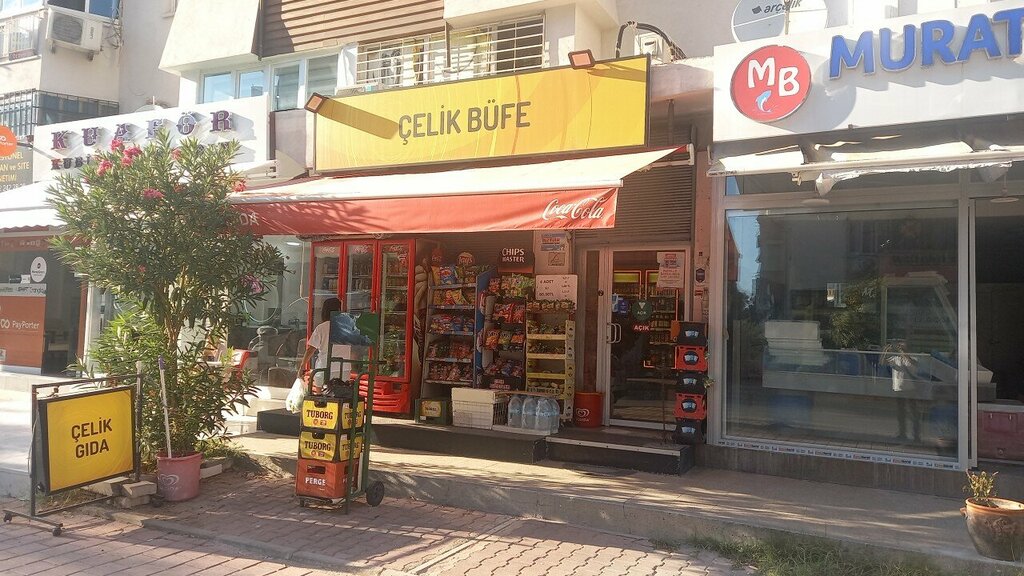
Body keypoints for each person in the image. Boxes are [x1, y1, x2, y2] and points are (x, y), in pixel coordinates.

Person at [299, 298, 346, 395]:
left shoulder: (321, 328)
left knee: (321, 398)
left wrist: (302, 366)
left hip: (324, 368)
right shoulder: (346, 327)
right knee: (341, 397)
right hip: (344, 368)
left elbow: (311, 349)